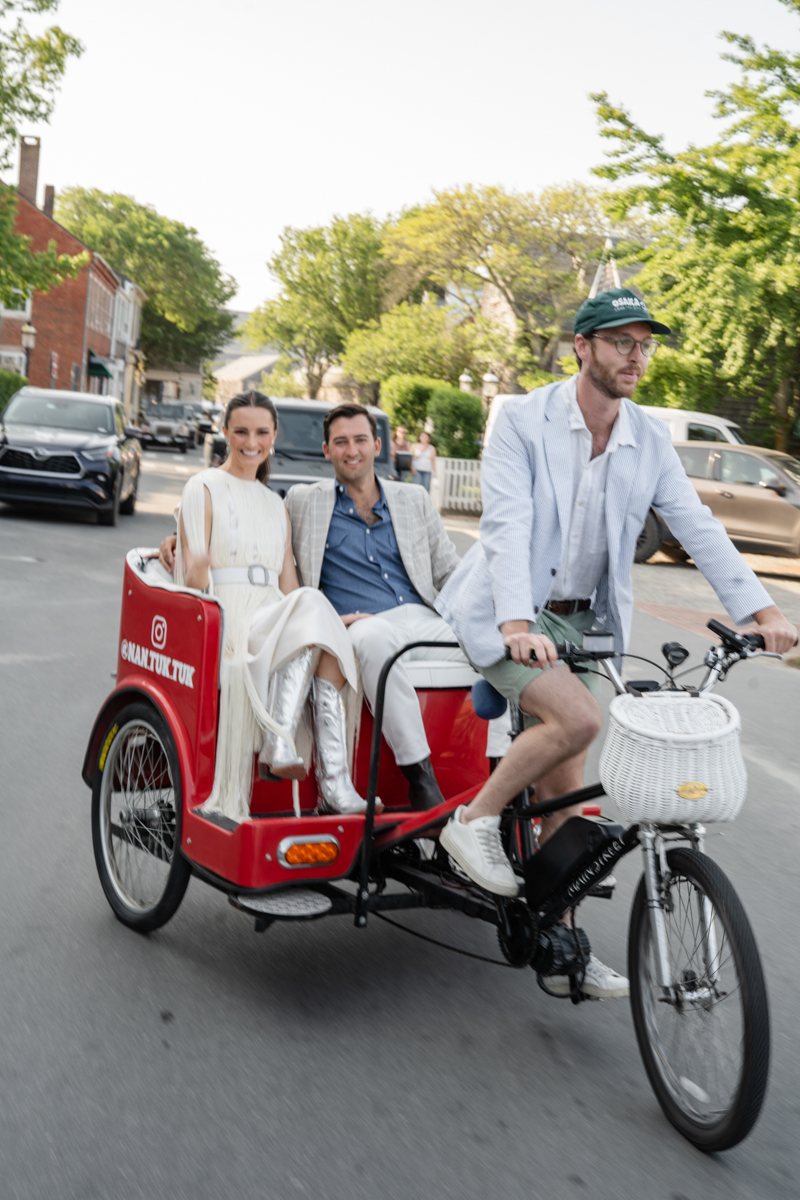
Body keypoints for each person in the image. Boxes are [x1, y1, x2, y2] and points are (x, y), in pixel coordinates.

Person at [435, 287, 798, 1000]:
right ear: (584, 346)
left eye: (645, 344)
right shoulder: (522, 420)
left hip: (586, 625)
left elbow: (698, 527)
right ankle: (471, 820)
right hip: (509, 613)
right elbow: (506, 526)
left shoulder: (647, 438)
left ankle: (561, 940)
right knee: (580, 721)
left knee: (566, 796)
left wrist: (761, 609)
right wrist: (515, 622)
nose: (638, 356)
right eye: (622, 342)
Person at [160, 403, 483, 809]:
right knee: (365, 634)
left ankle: (505, 774)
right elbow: (220, 526)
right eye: (341, 442)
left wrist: (495, 620)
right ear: (326, 451)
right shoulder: (300, 500)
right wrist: (177, 538)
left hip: (415, 615)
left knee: (487, 642)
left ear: (377, 445)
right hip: (350, 623)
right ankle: (416, 777)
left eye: (361, 440)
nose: (352, 451)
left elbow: (450, 573)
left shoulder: (412, 498)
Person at [174, 390, 369, 824]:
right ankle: (281, 743)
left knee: (323, 621)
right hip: (225, 618)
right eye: (240, 430)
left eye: (261, 432)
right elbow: (193, 586)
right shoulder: (202, 486)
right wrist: (198, 566)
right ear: (225, 432)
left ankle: (318, 770)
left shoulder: (274, 503)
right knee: (313, 611)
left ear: (274, 436)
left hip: (269, 615)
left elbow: (290, 588)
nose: (250, 441)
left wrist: (329, 623)